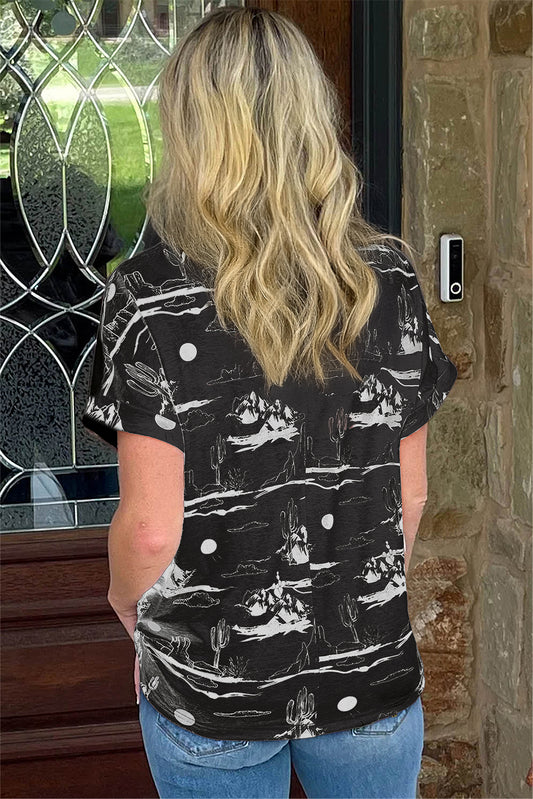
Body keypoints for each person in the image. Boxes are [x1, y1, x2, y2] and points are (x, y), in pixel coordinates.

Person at [81, 6, 458, 799]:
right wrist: (353, 611)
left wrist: (124, 606)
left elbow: (150, 530)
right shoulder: (386, 278)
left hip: (214, 692)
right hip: (369, 683)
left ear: (192, 128)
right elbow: (411, 496)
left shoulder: (148, 297)